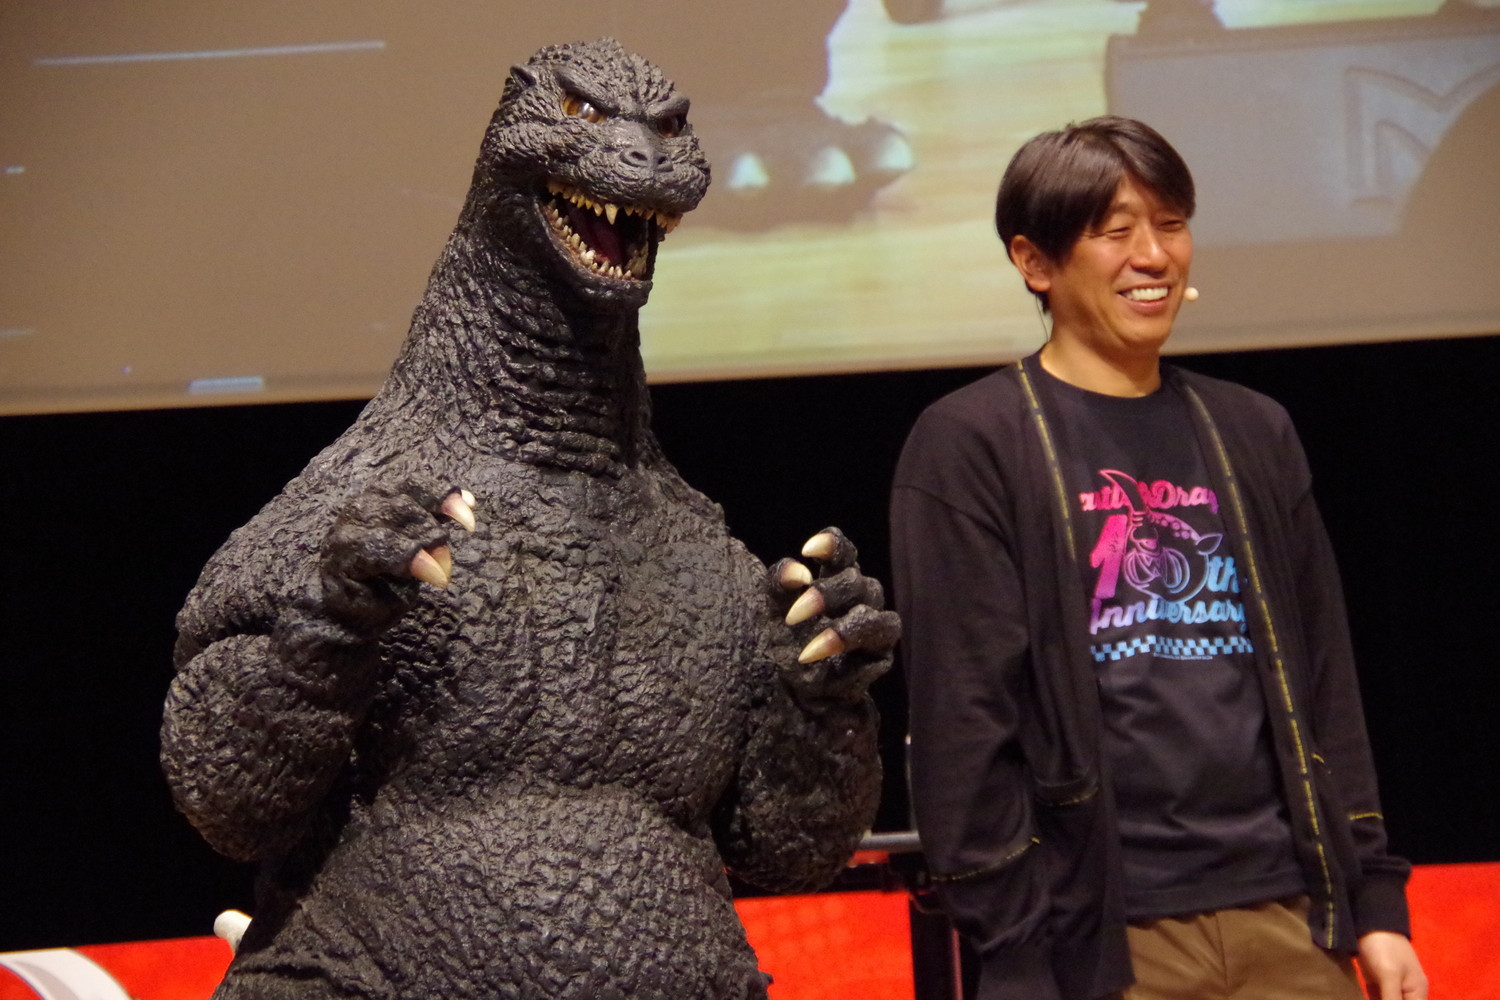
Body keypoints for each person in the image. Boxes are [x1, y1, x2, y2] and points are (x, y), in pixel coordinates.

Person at [890, 116, 1428, 1000]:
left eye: (1171, 224)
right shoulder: (974, 441)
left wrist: (1373, 898)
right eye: (1116, 231)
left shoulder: (1252, 429)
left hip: (1289, 916)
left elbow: (1326, 681)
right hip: (1101, 936)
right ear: (1034, 261)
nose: (1154, 255)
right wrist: (1014, 951)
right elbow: (963, 721)